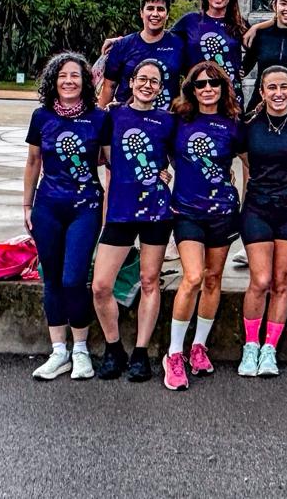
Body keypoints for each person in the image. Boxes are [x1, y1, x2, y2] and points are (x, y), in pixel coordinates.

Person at [22, 52, 109, 381]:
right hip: (48, 207)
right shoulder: (41, 116)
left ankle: (82, 349)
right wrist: (27, 205)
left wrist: (155, 172)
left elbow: (111, 161)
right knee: (52, 279)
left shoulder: (98, 118)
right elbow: (33, 162)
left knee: (74, 279)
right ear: (53, 81)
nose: (69, 81)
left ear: (86, 81)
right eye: (63, 76)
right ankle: (59, 351)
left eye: (75, 75)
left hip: (85, 207)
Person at [91, 60, 176, 382]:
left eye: (154, 81)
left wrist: (166, 173)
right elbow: (100, 154)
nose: (148, 85)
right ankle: (114, 347)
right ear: (132, 81)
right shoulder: (112, 116)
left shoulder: (168, 120)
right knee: (101, 286)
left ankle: (141, 352)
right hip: (121, 211)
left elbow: (177, 157)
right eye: (143, 79)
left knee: (150, 280)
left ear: (161, 86)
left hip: (156, 210)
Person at [165, 61, 243, 390]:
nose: (207, 89)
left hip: (222, 212)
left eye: (214, 83)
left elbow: (248, 165)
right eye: (200, 84)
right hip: (187, 211)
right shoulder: (178, 121)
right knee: (193, 276)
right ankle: (173, 353)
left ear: (223, 88)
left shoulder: (233, 124)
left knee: (213, 279)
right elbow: (160, 152)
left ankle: (199, 346)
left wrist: (244, 198)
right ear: (191, 89)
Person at [236, 66, 287, 377]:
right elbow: (241, 157)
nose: (278, 93)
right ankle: (250, 345)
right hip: (258, 208)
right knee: (261, 280)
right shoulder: (249, 125)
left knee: (282, 282)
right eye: (272, 88)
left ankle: (270, 349)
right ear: (263, 91)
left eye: (284, 87)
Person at [98, 0, 185, 110]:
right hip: (126, 123)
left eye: (160, 9)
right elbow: (109, 87)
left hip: (166, 123)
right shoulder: (122, 46)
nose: (155, 14)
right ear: (141, 12)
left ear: (167, 14)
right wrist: (100, 122)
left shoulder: (179, 44)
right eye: (150, 8)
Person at [172, 0, 249, 94]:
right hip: (197, 94)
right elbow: (169, 45)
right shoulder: (189, 21)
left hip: (230, 95)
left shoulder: (239, 24)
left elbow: (257, 47)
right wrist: (183, 70)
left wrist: (244, 67)